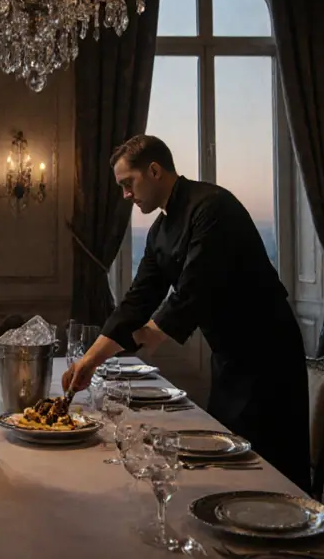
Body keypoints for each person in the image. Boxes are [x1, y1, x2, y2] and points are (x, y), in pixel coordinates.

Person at [62, 135, 310, 491]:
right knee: (230, 456)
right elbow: (137, 300)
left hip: (268, 350)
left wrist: (143, 338)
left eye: (128, 183)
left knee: (271, 465)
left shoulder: (213, 207)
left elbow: (191, 294)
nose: (126, 195)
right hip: (228, 354)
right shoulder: (159, 230)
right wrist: (89, 361)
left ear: (154, 170)